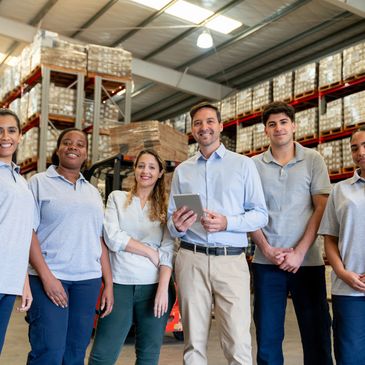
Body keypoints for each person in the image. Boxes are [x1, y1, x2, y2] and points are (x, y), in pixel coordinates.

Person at [167, 101, 268, 365]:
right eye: (198, 123)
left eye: (210, 121)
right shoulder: (183, 170)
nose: (205, 127)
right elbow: (170, 219)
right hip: (191, 259)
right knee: (193, 343)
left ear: (221, 126)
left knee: (237, 341)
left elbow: (260, 214)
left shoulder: (243, 165)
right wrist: (176, 224)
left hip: (230, 261)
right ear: (193, 130)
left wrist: (227, 223)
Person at [250, 101, 333, 365]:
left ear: (294, 125)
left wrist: (298, 253)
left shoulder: (313, 160)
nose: (279, 128)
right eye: (272, 124)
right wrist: (267, 250)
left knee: (317, 335)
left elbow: (321, 208)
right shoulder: (253, 165)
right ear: (265, 130)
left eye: (284, 122)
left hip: (307, 263)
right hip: (267, 264)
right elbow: (248, 212)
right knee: (268, 339)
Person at [26, 128, 114, 365]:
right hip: (50, 277)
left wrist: (108, 284)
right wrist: (47, 277)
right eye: (67, 142)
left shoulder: (93, 192)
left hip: (88, 281)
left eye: (80, 144)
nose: (73, 147)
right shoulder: (38, 182)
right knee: (49, 351)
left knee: (76, 352)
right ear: (58, 149)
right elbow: (28, 232)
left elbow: (99, 239)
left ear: (86, 154)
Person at [88, 148, 176, 365]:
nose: (145, 171)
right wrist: (148, 251)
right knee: (102, 356)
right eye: (141, 166)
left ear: (159, 173)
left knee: (148, 356)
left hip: (155, 286)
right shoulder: (117, 198)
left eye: (151, 167)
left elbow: (168, 250)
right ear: (135, 170)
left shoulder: (166, 208)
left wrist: (164, 290)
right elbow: (113, 238)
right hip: (120, 285)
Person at [318, 126, 365, 365]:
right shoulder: (341, 190)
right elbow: (330, 238)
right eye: (355, 148)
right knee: (350, 356)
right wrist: (342, 272)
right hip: (349, 289)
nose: (360, 152)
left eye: (364, 145)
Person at [0, 108, 33, 354]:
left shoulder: (20, 181)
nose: (5, 136)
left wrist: (23, 281)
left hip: (9, 280)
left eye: (11, 130)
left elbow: (20, 233)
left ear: (20, 136)